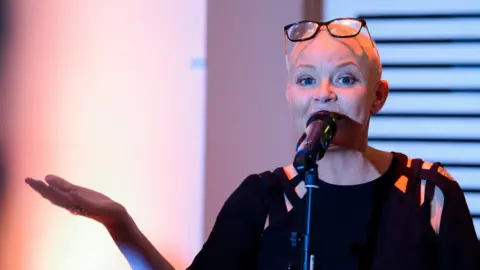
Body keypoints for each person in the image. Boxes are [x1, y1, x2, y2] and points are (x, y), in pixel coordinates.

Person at [25, 17, 479, 270]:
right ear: (290, 97)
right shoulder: (262, 199)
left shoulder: (430, 195)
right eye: (306, 80)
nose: (324, 93)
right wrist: (119, 224)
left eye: (345, 78)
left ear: (377, 95)